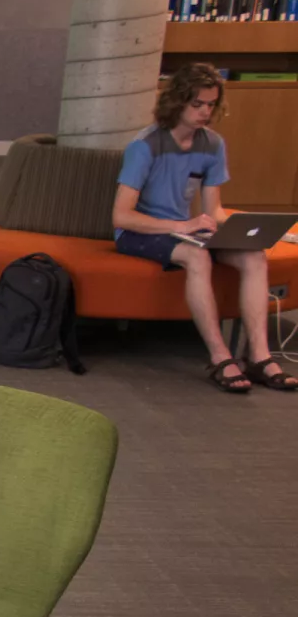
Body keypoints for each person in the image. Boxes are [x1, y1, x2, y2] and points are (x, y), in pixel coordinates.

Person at [111, 63, 294, 395]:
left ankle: (259, 356)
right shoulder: (146, 145)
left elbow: (214, 210)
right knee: (198, 258)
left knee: (254, 256)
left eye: (210, 105)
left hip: (186, 230)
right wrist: (183, 225)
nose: (205, 112)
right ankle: (220, 356)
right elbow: (121, 217)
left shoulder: (212, 144)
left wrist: (238, 229)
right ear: (178, 102)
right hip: (139, 233)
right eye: (197, 104)